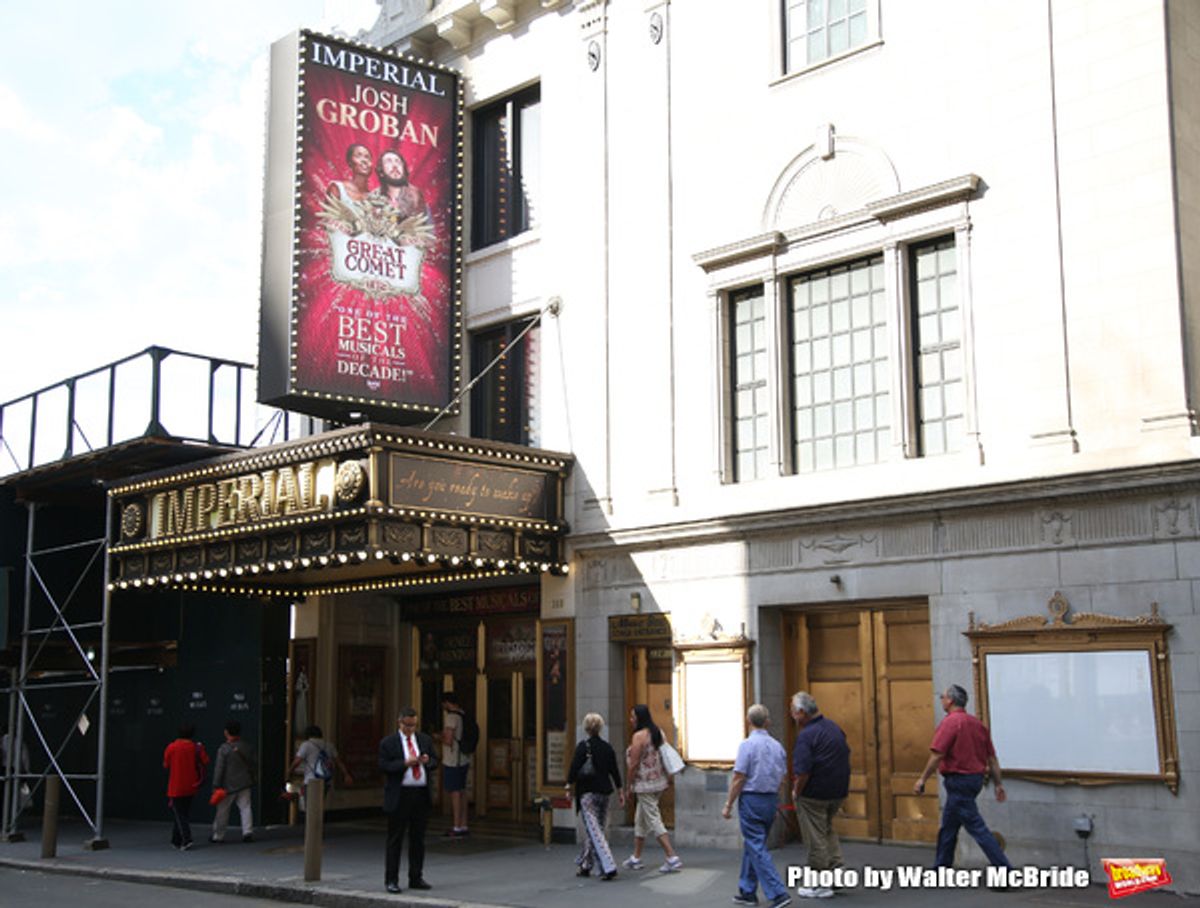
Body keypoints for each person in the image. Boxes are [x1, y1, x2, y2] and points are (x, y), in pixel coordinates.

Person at [913, 684, 1012, 869]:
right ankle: (941, 867)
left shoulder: (950, 723)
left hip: (958, 780)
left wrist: (922, 779)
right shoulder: (977, 724)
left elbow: (937, 754)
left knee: (976, 827)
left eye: (942, 697)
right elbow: (992, 758)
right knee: (949, 827)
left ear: (950, 700)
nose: (941, 700)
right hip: (975, 779)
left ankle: (1005, 870)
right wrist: (998, 784)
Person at [722, 704, 792, 908]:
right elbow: (782, 778)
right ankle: (747, 890)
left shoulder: (747, 745)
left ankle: (778, 893)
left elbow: (739, 777)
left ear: (748, 721)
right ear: (767, 721)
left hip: (752, 798)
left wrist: (728, 804)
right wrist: (776, 798)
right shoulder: (778, 746)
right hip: (770, 799)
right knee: (754, 845)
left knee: (756, 845)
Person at [789, 691, 851, 898]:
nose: (791, 715)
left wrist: (796, 791)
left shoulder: (806, 735)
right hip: (837, 791)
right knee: (826, 830)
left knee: (815, 838)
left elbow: (803, 771)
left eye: (792, 711)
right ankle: (837, 872)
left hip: (814, 794)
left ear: (800, 712)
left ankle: (819, 882)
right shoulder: (833, 728)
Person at [379, 707, 438, 894]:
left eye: (414, 725)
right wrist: (404, 763)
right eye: (407, 725)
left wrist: (427, 761)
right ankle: (391, 880)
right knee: (395, 838)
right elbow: (383, 765)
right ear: (400, 722)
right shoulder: (389, 743)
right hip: (400, 794)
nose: (410, 729)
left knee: (418, 838)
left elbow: (435, 761)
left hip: (420, 793)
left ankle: (416, 877)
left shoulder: (424, 740)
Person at [622, 704, 682, 873]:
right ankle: (636, 857)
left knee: (654, 818)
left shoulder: (638, 737)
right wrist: (669, 778)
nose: (631, 719)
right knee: (641, 818)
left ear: (639, 718)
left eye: (633, 716)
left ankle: (671, 856)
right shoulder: (658, 732)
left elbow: (633, 764)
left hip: (644, 785)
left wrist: (629, 786)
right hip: (659, 782)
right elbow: (665, 756)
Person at [566, 712, 624, 880]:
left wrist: (568, 785)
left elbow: (574, 768)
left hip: (587, 794)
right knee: (596, 829)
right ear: (600, 728)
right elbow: (614, 770)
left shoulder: (583, 747)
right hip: (604, 793)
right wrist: (620, 790)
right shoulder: (607, 747)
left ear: (586, 728)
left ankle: (609, 866)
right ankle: (585, 865)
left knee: (594, 831)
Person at [163, 723, 209, 851]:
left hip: (176, 785)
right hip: (192, 785)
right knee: (182, 813)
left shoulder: (172, 747)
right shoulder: (196, 747)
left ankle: (186, 839)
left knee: (179, 813)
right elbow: (205, 761)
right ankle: (175, 840)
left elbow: (166, 764)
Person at [210, 719, 256, 843]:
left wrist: (216, 784)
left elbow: (219, 768)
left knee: (223, 810)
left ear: (226, 732)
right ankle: (247, 832)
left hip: (227, 785)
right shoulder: (247, 746)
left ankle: (218, 835)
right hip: (245, 782)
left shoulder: (224, 749)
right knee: (246, 807)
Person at [291, 724, 353, 812]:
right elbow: (339, 762)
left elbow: (297, 762)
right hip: (325, 780)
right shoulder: (329, 745)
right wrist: (346, 774)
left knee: (309, 806)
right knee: (319, 804)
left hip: (310, 780)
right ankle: (318, 822)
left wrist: (289, 771)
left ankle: (311, 824)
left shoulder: (306, 745)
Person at [440, 691, 470, 838]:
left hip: (453, 760)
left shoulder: (451, 717)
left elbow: (448, 740)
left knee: (455, 793)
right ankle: (463, 824)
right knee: (462, 791)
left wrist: (439, 736)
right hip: (464, 759)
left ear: (447, 703)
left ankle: (456, 826)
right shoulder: (463, 714)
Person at [371, 149, 425, 220]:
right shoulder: (373, 198)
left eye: (398, 162)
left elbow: (427, 228)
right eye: (388, 161)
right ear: (381, 172)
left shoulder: (416, 196)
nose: (395, 165)